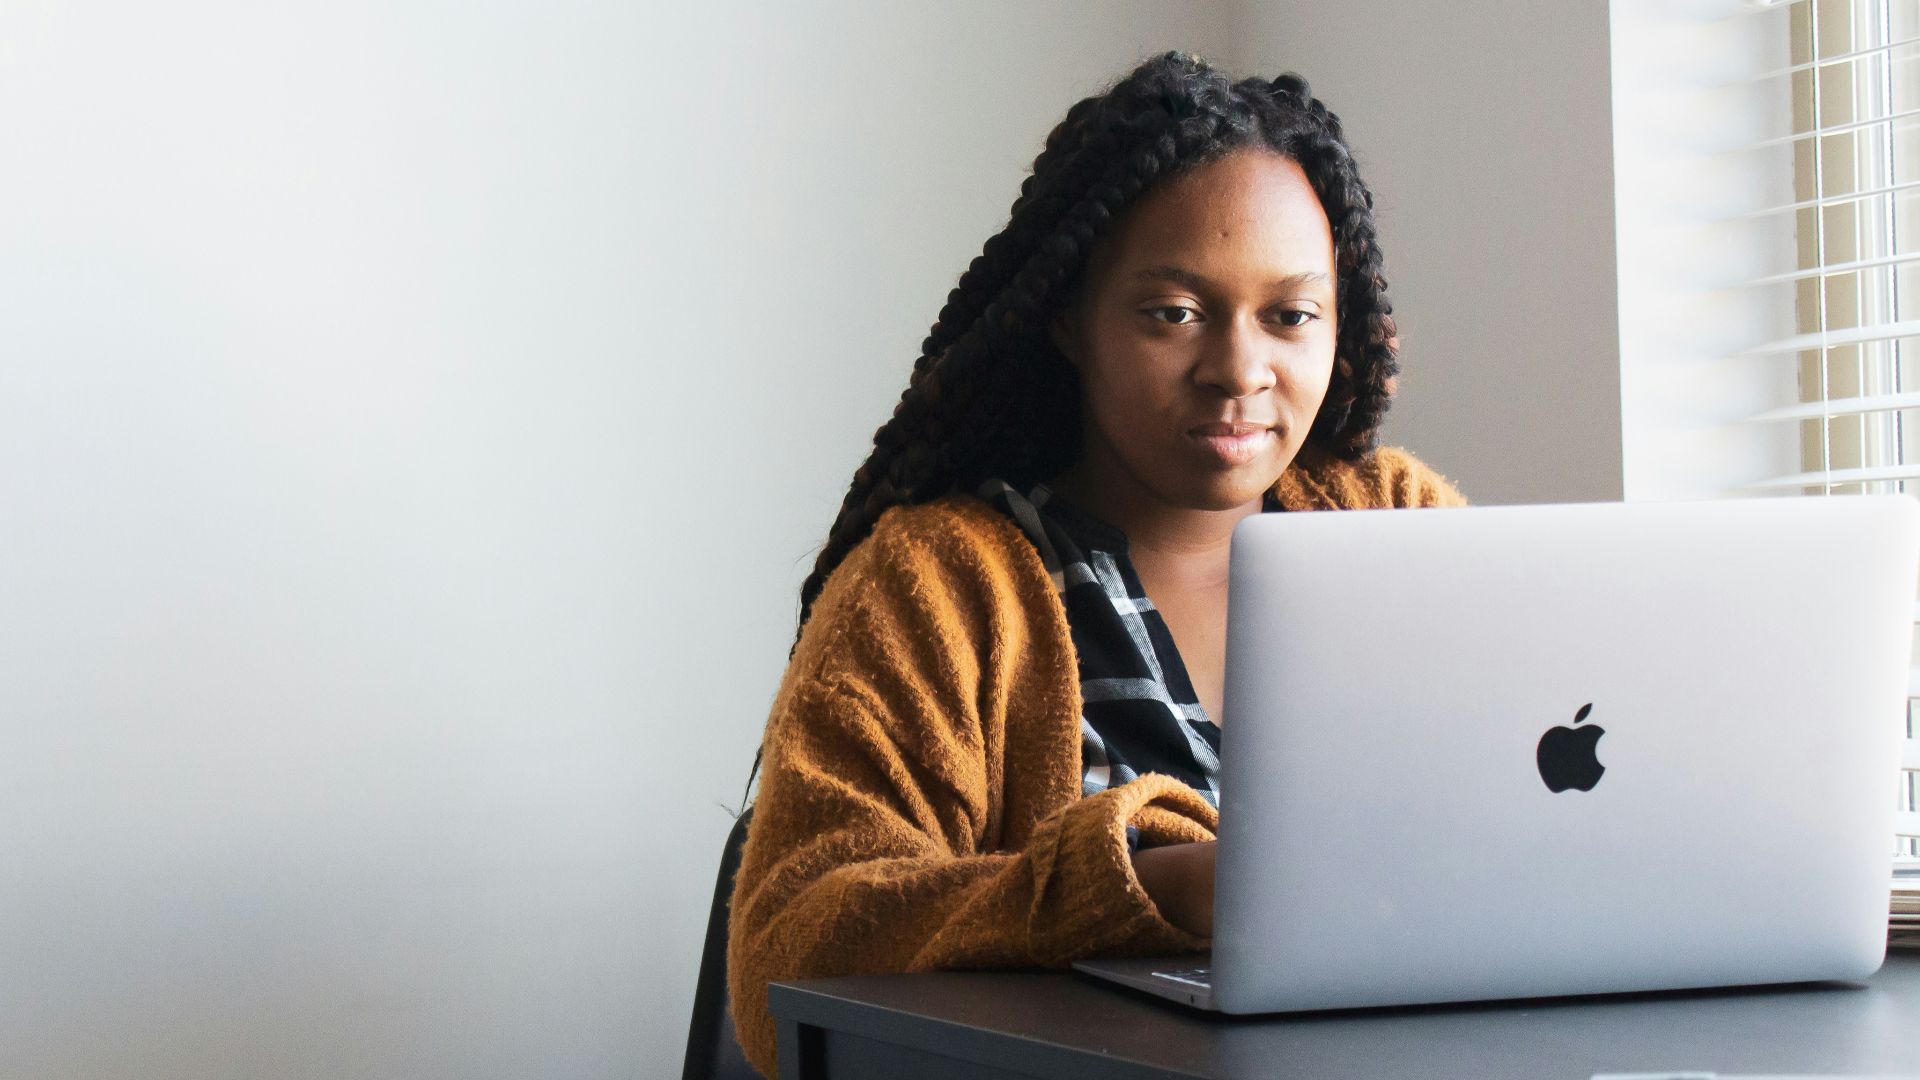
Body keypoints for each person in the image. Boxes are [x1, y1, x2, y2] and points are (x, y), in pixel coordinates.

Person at [723, 51, 1466, 1078]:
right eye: (1174, 313)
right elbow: (790, 949)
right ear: (1071, 318)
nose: (1239, 371)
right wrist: (1152, 887)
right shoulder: (939, 584)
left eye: (1290, 315)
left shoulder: (1398, 526)